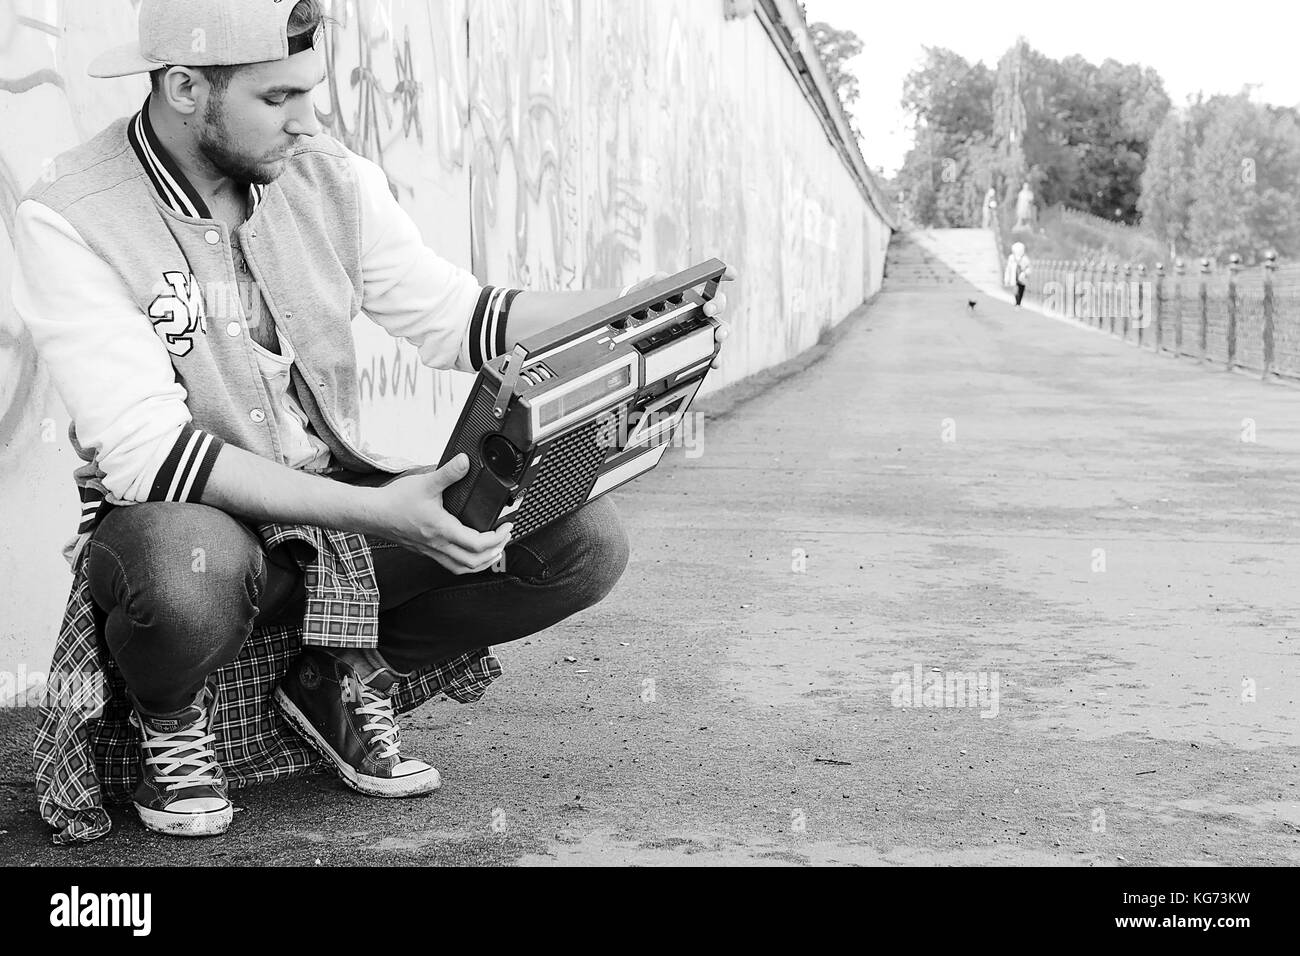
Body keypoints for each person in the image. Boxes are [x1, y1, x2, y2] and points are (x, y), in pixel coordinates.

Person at [12, 0, 733, 841]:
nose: (306, 121)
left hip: (333, 508)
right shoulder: (71, 213)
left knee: (581, 544)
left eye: (310, 91)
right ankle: (167, 721)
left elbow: (455, 317)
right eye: (278, 98)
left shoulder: (327, 176)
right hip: (189, 524)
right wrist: (386, 513)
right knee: (182, 575)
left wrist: (634, 310)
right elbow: (147, 456)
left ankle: (341, 675)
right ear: (183, 87)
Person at [1005, 241, 1031, 308]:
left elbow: (1028, 268)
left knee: (1021, 290)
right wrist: (1007, 278)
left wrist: (1024, 273)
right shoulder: (1011, 258)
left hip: (1022, 278)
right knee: (1015, 290)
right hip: (1014, 277)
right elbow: (1008, 268)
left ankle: (1018, 303)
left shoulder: (1025, 258)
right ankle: (1017, 302)